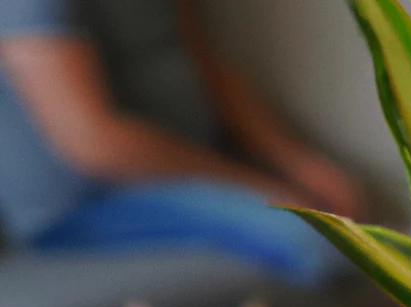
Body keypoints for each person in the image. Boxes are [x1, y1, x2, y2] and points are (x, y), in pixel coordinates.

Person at [0, 0, 365, 286]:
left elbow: (208, 69)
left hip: (199, 171)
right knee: (319, 242)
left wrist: (299, 163)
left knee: (375, 228)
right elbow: (95, 144)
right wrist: (265, 189)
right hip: (88, 206)